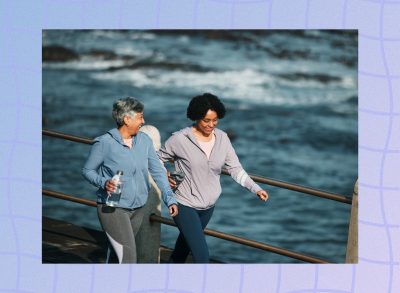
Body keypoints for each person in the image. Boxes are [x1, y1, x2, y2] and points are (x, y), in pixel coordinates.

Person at [157, 93, 269, 263]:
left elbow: (235, 168)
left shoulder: (223, 138)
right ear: (196, 118)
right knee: (202, 256)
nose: (211, 125)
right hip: (184, 204)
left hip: (208, 207)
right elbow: (156, 159)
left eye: (215, 120)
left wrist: (256, 188)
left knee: (181, 251)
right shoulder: (180, 139)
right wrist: (164, 174)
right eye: (206, 120)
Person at [82, 97, 178, 264]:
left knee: (116, 256)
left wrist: (169, 198)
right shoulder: (105, 143)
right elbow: (87, 171)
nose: (143, 121)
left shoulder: (144, 141)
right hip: (113, 209)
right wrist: (104, 182)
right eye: (140, 117)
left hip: (138, 208)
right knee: (128, 258)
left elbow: (157, 170)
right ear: (127, 119)